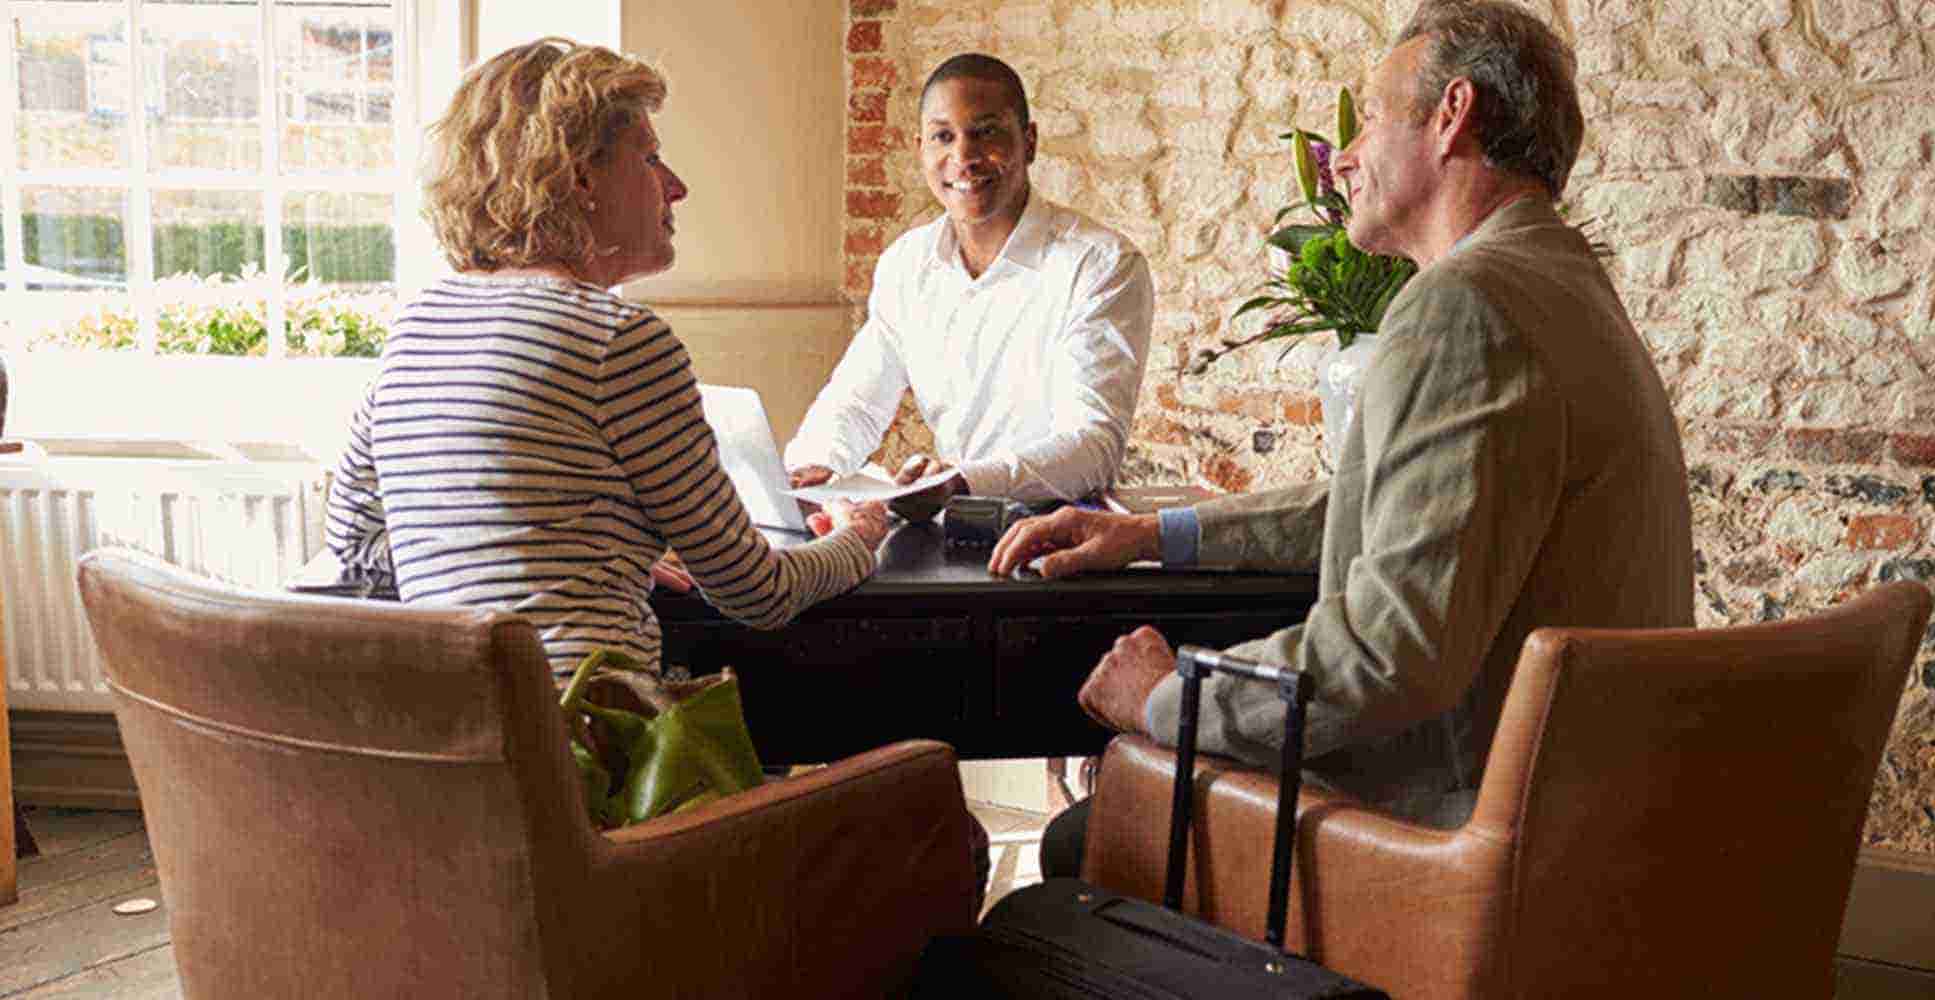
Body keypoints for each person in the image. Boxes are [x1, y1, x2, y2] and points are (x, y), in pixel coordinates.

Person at [992, 0, 1695, 872]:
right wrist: (1151, 534)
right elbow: (1407, 509)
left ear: (1452, 115)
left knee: (1086, 839)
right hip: (1583, 830)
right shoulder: (1561, 280)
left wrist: (1172, 697)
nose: (1347, 158)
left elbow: (1388, 653)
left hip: (1453, 850)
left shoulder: (1463, 305)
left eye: (1369, 121)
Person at [324, 39, 890, 679]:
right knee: (906, 767)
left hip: (462, 756)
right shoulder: (618, 341)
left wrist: (564, 558)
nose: (676, 187)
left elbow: (357, 545)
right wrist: (859, 538)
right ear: (579, 179)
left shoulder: (420, 326)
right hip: (595, 755)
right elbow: (758, 592)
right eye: (650, 159)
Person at [783, 53, 1154, 516]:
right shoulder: (906, 264)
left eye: (986, 132)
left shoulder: (1101, 265)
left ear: (1030, 142)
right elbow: (856, 402)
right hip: (950, 529)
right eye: (943, 136)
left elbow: (1092, 446)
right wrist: (814, 465)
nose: (963, 158)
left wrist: (961, 481)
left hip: (1061, 537)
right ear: (921, 148)